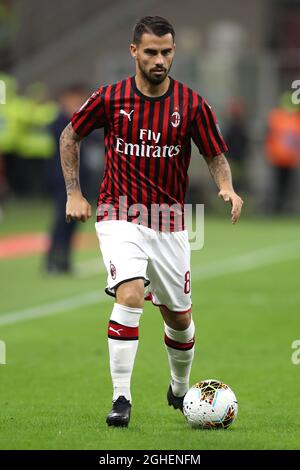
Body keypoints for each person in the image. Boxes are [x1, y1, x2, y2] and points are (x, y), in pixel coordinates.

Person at [59, 16, 243, 427]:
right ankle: (121, 398)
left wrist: (226, 187)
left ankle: (180, 387)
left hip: (170, 222)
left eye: (166, 52)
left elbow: (214, 154)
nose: (159, 59)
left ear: (173, 51)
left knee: (179, 318)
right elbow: (70, 135)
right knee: (129, 294)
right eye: (151, 52)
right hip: (118, 214)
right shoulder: (109, 98)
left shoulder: (192, 104)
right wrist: (74, 192)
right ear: (134, 52)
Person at [45, 85, 91, 273]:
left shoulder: (83, 121)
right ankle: (52, 260)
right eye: (74, 99)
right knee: (61, 221)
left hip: (81, 179)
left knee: (73, 224)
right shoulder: (58, 122)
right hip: (62, 180)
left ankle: (64, 261)